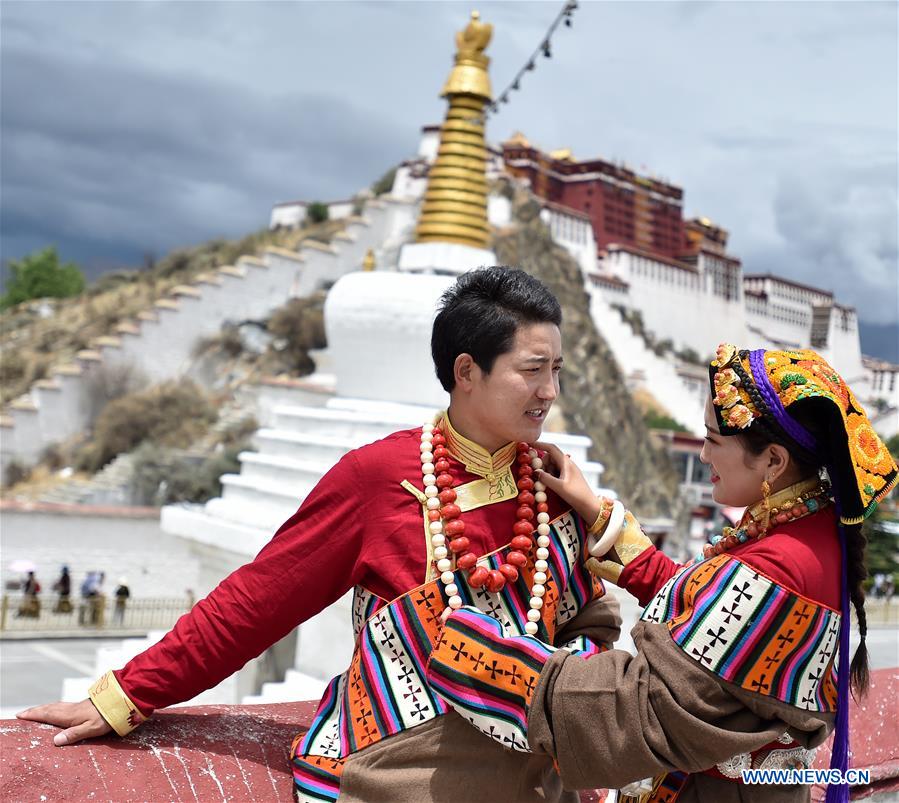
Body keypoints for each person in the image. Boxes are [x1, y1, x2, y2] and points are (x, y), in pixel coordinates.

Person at [18, 267, 621, 803]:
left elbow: (588, 623)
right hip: (401, 770)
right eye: (533, 371)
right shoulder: (377, 478)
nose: (550, 393)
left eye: (557, 372)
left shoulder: (552, 487)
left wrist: (558, 702)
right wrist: (123, 697)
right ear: (467, 371)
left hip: (535, 774)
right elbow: (258, 601)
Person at [426, 343, 897, 803]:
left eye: (713, 441)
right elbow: (710, 621)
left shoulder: (780, 566)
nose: (704, 457)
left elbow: (637, 713)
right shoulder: (803, 530)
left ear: (774, 460)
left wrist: (481, 655)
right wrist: (596, 512)